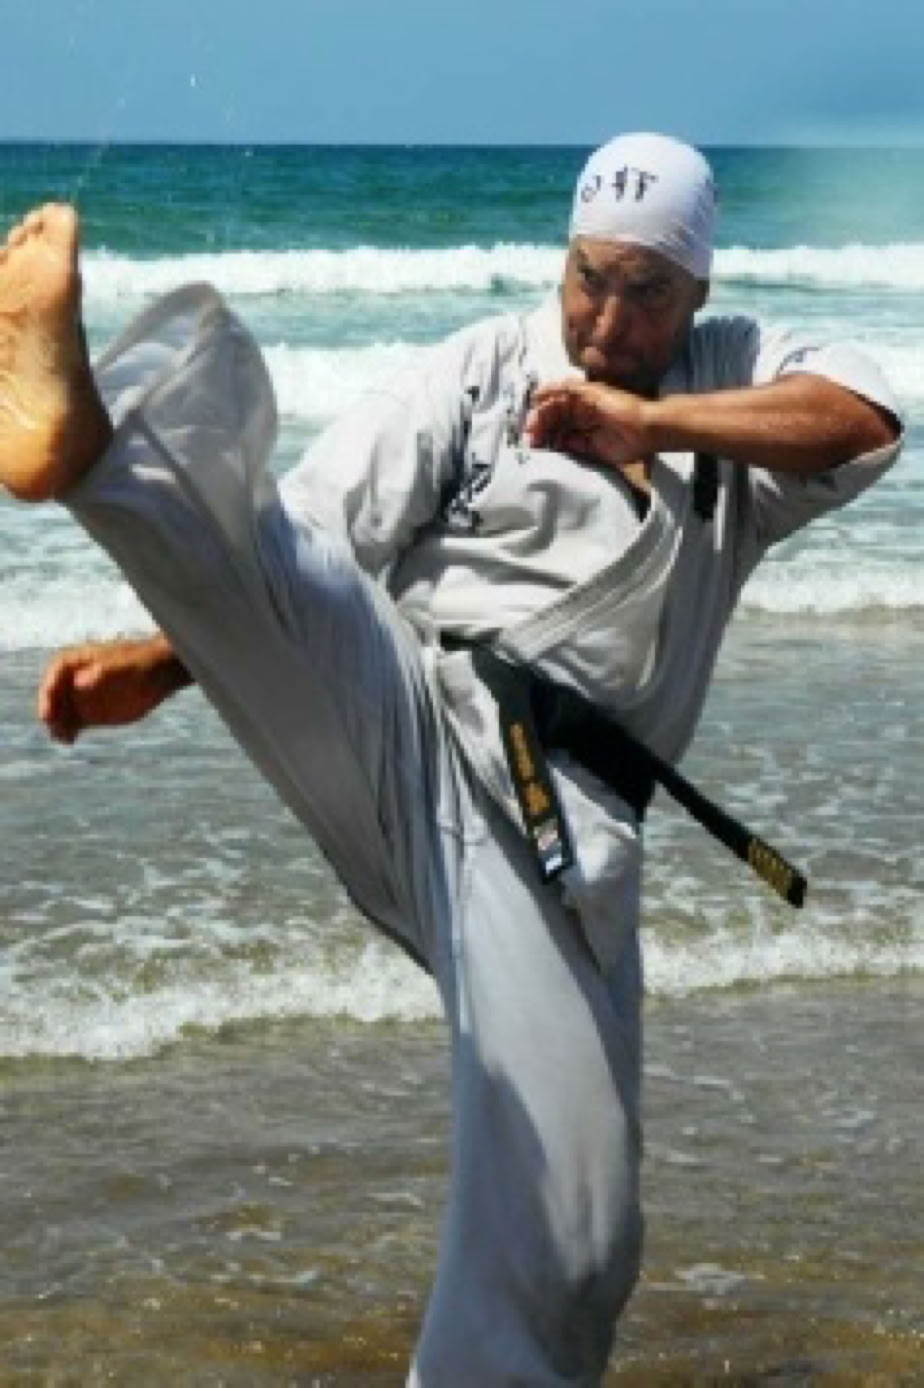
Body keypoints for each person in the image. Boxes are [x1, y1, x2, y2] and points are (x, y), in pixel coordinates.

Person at [2, 135, 902, 1384]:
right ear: (562, 258)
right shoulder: (479, 370)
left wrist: (649, 421)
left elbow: (862, 419)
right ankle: (94, 441)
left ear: (699, 290)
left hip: (563, 834)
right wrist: (163, 663)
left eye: (649, 292)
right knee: (304, 569)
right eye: (589, 278)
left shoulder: (730, 382)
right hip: (416, 728)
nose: (608, 319)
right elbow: (310, 538)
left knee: (579, 1236)